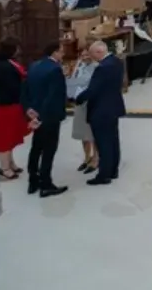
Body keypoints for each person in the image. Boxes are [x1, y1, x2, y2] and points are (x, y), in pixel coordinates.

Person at [22, 41, 68, 197]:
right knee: (49, 150)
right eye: (61, 52)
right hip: (49, 116)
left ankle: (32, 180)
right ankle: (46, 183)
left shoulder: (34, 66)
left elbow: (25, 90)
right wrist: (41, 116)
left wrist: (29, 109)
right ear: (54, 52)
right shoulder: (55, 70)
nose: (63, 54)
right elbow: (53, 96)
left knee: (36, 148)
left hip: (34, 112)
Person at [77, 40, 125, 184]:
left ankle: (104, 175)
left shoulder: (102, 68)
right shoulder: (116, 62)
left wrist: (78, 98)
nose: (92, 58)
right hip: (114, 107)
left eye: (92, 55)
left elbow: (93, 89)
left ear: (99, 52)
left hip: (101, 110)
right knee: (113, 141)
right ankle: (113, 170)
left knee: (103, 143)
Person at [0, 38, 28, 181]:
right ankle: (4, 168)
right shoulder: (2, 66)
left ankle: (10, 163)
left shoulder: (8, 62)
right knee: (4, 137)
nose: (19, 51)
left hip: (12, 105)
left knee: (10, 136)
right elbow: (12, 86)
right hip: (6, 106)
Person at [67, 46, 99, 175]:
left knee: (92, 132)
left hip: (91, 103)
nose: (85, 57)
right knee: (82, 133)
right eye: (83, 55)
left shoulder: (97, 68)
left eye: (87, 55)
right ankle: (86, 157)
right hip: (79, 103)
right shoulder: (78, 66)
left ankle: (96, 158)